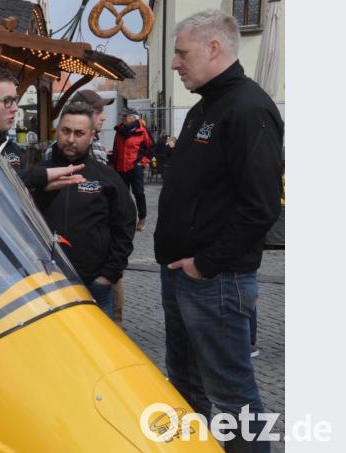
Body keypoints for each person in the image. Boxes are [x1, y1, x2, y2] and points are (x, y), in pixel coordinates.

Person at [154, 10, 283, 452]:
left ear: (214, 48)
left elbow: (261, 206)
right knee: (187, 387)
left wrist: (205, 265)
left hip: (215, 280)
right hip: (183, 275)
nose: (174, 63)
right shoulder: (205, 108)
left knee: (233, 397)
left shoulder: (248, 108)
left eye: (180, 52)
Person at [33, 102, 135, 318]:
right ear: (57, 131)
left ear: (91, 136)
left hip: (94, 286)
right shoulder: (37, 175)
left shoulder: (106, 177)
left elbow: (125, 226)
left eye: (79, 133)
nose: (71, 139)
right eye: (66, 131)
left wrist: (108, 275)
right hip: (45, 286)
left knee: (96, 350)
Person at [110, 108, 153, 231]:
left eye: (125, 116)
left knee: (139, 193)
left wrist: (142, 162)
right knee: (123, 195)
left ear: (134, 118)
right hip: (120, 168)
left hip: (135, 168)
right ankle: (125, 219)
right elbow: (115, 150)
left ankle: (142, 218)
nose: (122, 118)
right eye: (122, 116)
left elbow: (151, 149)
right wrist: (113, 165)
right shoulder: (119, 131)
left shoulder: (142, 131)